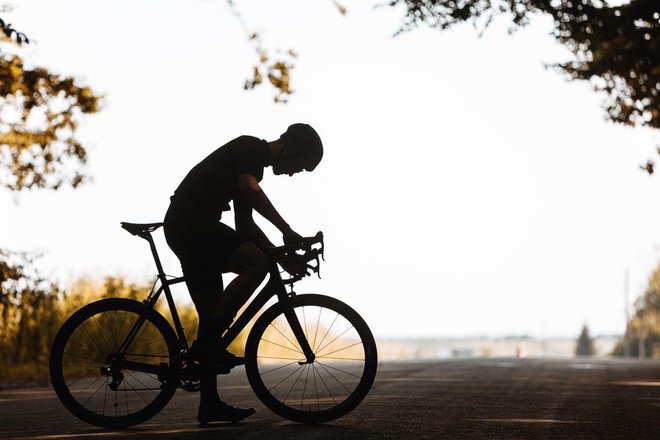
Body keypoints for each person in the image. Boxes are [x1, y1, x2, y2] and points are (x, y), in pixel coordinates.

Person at [163, 123, 323, 424]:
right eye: (297, 166)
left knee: (212, 314)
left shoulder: (252, 168)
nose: (291, 173)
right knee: (257, 265)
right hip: (191, 225)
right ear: (290, 146)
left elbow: (244, 226)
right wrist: (286, 231)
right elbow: (249, 188)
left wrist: (281, 256)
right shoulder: (250, 149)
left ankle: (209, 403)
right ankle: (207, 344)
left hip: (191, 228)